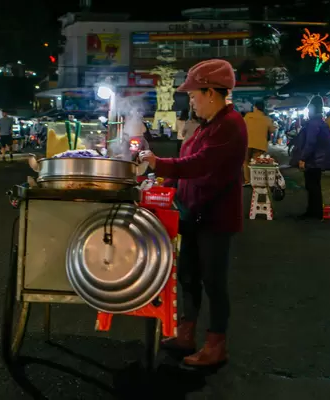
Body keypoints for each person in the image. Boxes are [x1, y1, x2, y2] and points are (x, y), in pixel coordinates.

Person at [140, 59, 247, 369]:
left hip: (215, 218)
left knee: (214, 282)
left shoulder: (230, 125)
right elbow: (187, 168)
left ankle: (216, 345)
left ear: (211, 92)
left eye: (194, 94)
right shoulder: (207, 126)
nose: (191, 100)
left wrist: (158, 163)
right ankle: (185, 334)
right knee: (188, 277)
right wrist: (161, 183)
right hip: (192, 215)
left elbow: (199, 165)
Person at [290, 96, 330, 220]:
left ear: (313, 108)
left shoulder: (313, 123)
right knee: (315, 186)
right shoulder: (321, 122)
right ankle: (314, 212)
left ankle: (314, 213)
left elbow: (310, 142)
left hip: (314, 160)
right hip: (318, 159)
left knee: (312, 186)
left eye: (309, 108)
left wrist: (303, 158)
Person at [243, 101, 275, 186]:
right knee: (256, 163)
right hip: (260, 144)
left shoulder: (248, 116)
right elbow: (272, 130)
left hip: (247, 143)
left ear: (255, 107)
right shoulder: (267, 119)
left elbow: (241, 126)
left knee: (246, 162)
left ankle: (247, 181)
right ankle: (255, 181)